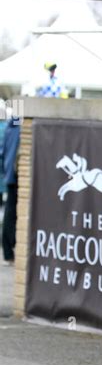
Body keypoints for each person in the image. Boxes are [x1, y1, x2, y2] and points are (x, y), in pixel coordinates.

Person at [0, 110, 21, 265]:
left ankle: (8, 252)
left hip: (9, 175)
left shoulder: (9, 127)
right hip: (15, 175)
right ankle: (10, 248)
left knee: (9, 213)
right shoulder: (19, 127)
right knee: (12, 214)